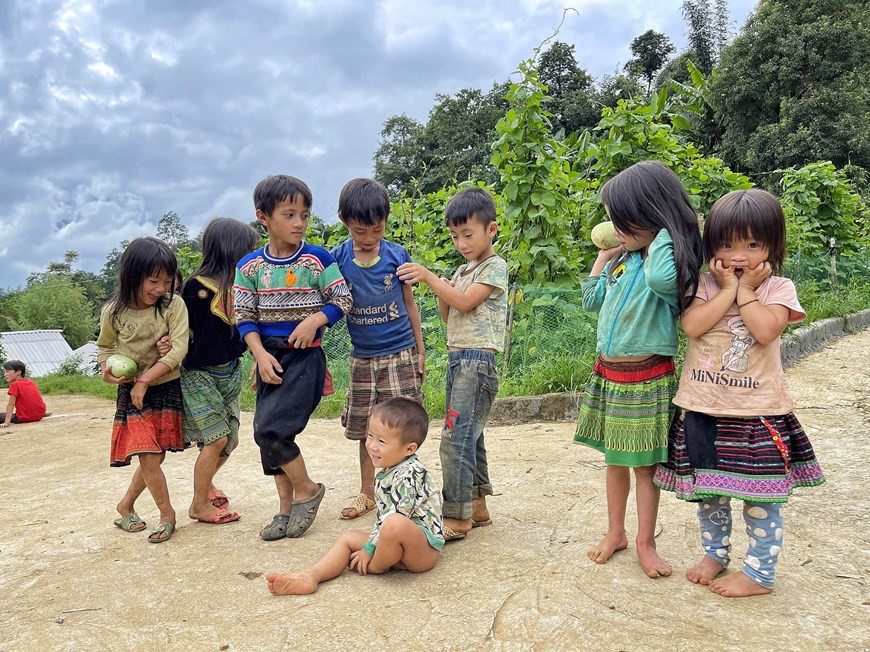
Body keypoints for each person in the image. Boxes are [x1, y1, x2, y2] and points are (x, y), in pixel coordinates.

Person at [654, 188, 825, 597]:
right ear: (712, 246)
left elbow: (766, 331)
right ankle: (716, 554)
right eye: (727, 244)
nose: (738, 255)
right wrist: (728, 288)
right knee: (710, 492)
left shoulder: (778, 288)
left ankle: (760, 572)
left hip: (757, 412)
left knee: (760, 497)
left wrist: (746, 291)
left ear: (772, 245)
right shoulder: (704, 285)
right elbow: (693, 327)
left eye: (752, 244)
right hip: (703, 408)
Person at [574, 160, 704, 578]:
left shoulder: (665, 263)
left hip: (648, 378)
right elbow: (592, 300)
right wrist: (605, 255)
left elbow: (664, 281)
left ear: (649, 215)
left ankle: (646, 542)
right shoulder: (625, 261)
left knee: (645, 466)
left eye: (620, 218)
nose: (613, 225)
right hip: (611, 375)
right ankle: (617, 532)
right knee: (615, 461)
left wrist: (665, 232)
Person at [234, 174, 353, 540]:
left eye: (304, 214)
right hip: (268, 357)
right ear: (263, 217)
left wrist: (314, 321)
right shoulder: (250, 266)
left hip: (305, 357)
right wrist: (257, 353)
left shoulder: (318, 258)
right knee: (262, 432)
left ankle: (307, 490)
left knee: (273, 429)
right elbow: (244, 315)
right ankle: (285, 509)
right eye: (289, 214)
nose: (299, 223)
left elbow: (342, 299)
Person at [397, 187, 508, 541]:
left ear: (491, 229)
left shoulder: (495, 266)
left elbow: (464, 304)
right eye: (455, 236)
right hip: (459, 357)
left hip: (478, 360)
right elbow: (449, 313)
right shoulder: (464, 269)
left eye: (468, 234)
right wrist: (442, 286)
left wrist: (430, 278)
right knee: (470, 437)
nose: (461, 243)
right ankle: (477, 506)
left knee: (454, 438)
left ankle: (456, 516)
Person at [266, 397, 443, 594]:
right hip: (395, 542)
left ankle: (377, 566)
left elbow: (395, 518)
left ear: (409, 449)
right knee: (348, 538)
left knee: (394, 523)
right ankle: (311, 576)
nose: (372, 446)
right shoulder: (391, 469)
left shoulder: (410, 473)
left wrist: (369, 550)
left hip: (422, 551)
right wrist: (373, 544)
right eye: (370, 436)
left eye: (382, 441)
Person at [330, 178, 426, 520]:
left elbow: (410, 304)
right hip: (362, 359)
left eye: (377, 230)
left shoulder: (397, 255)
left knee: (402, 427)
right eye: (360, 232)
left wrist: (420, 350)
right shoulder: (338, 258)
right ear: (344, 221)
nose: (369, 239)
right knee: (367, 430)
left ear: (386, 220)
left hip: (400, 353)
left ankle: (405, 492)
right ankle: (368, 493)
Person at [96, 237, 189, 543]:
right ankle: (167, 515)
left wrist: (145, 379)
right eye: (153, 280)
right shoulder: (113, 312)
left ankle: (125, 505)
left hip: (163, 387)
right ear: (132, 276)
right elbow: (105, 349)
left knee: (155, 457)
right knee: (149, 457)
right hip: (131, 393)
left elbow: (177, 351)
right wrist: (108, 374)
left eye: (166, 281)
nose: (161, 288)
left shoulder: (173, 305)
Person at [178, 217, 261, 524]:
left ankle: (206, 482)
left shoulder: (240, 288)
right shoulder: (193, 289)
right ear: (231, 250)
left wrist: (258, 357)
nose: (251, 257)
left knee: (230, 441)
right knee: (214, 440)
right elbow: (176, 331)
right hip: (198, 374)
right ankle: (199, 504)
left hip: (230, 372)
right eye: (247, 250)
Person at [1, 360, 46, 427]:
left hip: (24, 418)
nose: (5, 374)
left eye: (8, 371)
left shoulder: (15, 384)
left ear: (18, 372)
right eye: (4, 372)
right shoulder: (30, 382)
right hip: (39, 416)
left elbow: (11, 404)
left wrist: (6, 422)